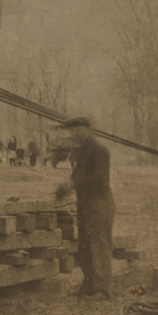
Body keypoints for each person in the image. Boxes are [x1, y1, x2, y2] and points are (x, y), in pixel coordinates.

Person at [54, 117, 115, 300]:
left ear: (87, 129)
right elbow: (77, 177)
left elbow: (99, 180)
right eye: (71, 130)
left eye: (76, 130)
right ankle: (88, 286)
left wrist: (72, 185)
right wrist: (62, 190)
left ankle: (102, 290)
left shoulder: (99, 151)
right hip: (86, 205)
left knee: (98, 246)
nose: (73, 134)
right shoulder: (82, 151)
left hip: (100, 205)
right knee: (85, 248)